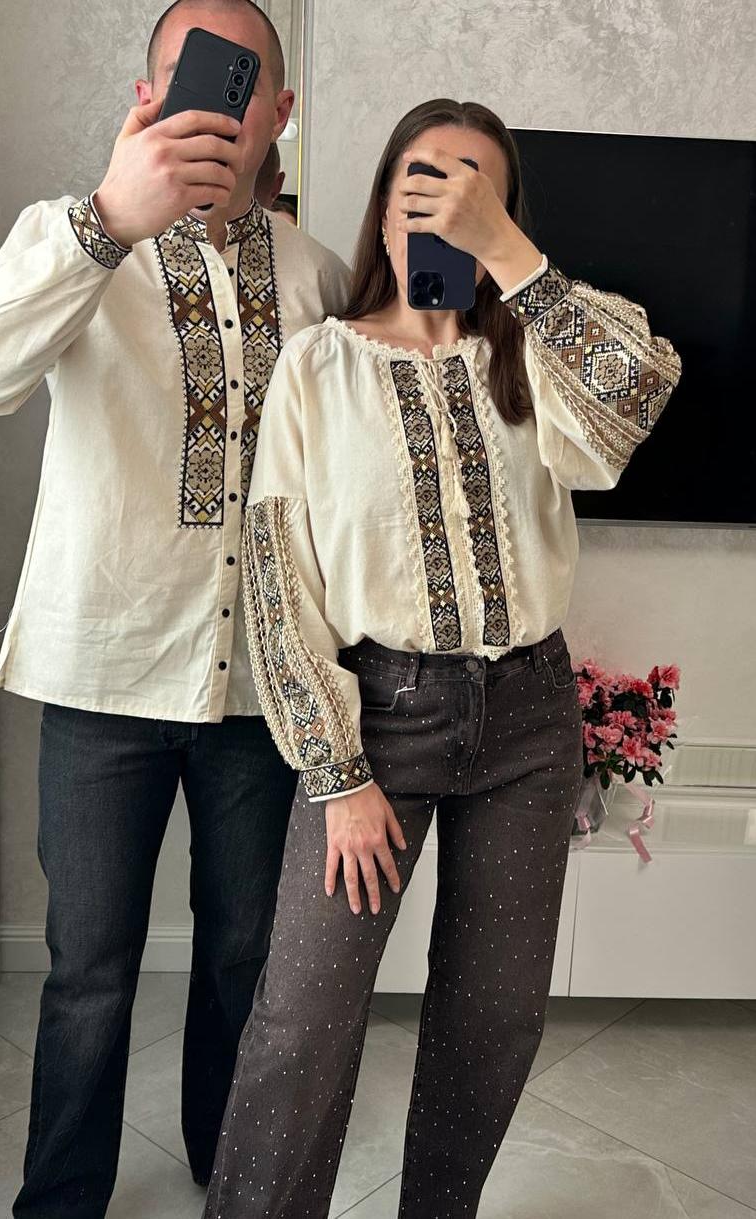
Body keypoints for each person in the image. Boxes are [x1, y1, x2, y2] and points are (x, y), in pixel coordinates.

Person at [203, 97, 681, 1218]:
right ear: (384, 202)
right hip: (378, 719)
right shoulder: (318, 367)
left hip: (529, 718)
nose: (446, 198)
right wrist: (338, 776)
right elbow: (278, 580)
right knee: (304, 1019)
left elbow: (640, 387)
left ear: (505, 210)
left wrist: (510, 258)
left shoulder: (536, 359)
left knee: (494, 1016)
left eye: (477, 184)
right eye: (424, 176)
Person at [0, 1, 349, 1215]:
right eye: (189, 77)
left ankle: (232, 1172)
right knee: (89, 970)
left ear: (279, 111)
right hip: (102, 676)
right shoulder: (67, 239)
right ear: (146, 95)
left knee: (243, 954)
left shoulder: (317, 275)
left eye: (243, 82)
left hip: (257, 687)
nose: (218, 104)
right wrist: (109, 221)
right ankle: (61, 1199)